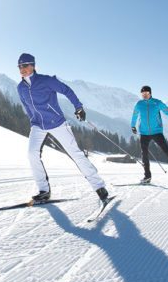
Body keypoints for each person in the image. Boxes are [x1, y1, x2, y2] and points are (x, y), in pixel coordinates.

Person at [16, 53, 109, 204]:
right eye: (20, 66)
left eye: (25, 65)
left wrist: (78, 107)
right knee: (31, 154)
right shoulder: (21, 88)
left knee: (76, 154)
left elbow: (67, 90)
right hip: (38, 125)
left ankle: (99, 186)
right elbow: (26, 106)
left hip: (57, 122)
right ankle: (44, 191)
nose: (22, 69)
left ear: (33, 65)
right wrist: (33, 120)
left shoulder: (46, 80)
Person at [130, 85, 168, 184]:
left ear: (150, 93)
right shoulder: (139, 104)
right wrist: (133, 126)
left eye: (146, 93)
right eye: (143, 94)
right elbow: (135, 115)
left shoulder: (157, 103)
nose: (144, 95)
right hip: (144, 133)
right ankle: (147, 177)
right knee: (144, 155)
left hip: (157, 132)